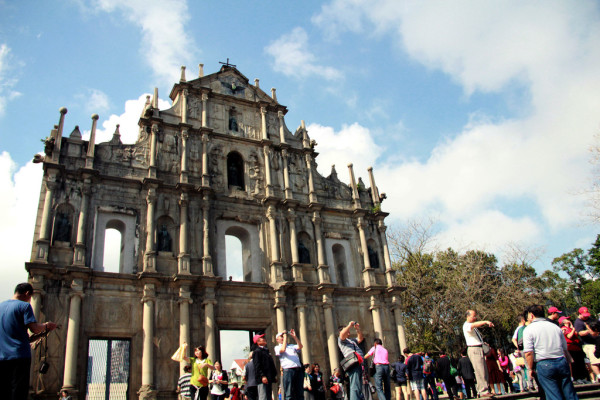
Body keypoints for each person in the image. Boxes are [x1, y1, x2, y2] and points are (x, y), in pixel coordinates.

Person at [0, 282, 58, 400]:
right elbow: (35, 328)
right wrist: (46, 326)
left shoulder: (1, 306)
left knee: (4, 390)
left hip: (2, 356)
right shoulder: (24, 306)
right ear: (27, 293)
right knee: (18, 391)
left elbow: (17, 333)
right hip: (19, 356)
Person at [522, 304, 579, 400]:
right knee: (569, 393)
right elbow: (564, 348)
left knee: (553, 395)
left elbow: (528, 352)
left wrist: (530, 368)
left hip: (544, 363)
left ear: (531, 315)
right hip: (561, 360)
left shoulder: (529, 329)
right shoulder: (555, 327)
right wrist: (569, 361)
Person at [462, 309, 494, 398]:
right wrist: (485, 322)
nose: (475, 318)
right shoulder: (467, 325)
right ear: (468, 316)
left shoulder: (472, 326)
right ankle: (483, 390)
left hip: (479, 348)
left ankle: (485, 389)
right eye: (473, 316)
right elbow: (473, 325)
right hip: (474, 349)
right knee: (480, 370)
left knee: (484, 370)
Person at [338, 321, 365, 400]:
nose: (348, 332)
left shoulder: (352, 341)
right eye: (347, 330)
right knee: (355, 386)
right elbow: (342, 334)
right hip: (353, 364)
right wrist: (349, 325)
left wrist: (357, 329)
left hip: (359, 363)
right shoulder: (341, 340)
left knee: (359, 386)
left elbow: (360, 338)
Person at [275, 330, 304, 400]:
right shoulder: (277, 347)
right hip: (288, 370)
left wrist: (295, 337)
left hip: (297, 369)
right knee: (289, 392)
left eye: (283, 336)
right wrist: (285, 338)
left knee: (299, 391)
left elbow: (300, 346)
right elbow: (283, 350)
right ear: (277, 339)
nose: (283, 337)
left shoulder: (291, 346)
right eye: (281, 336)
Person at [574, 306, 600, 382]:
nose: (586, 317)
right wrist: (589, 330)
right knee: (594, 361)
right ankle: (598, 376)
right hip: (588, 344)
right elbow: (580, 333)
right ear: (580, 314)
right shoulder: (578, 322)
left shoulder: (590, 319)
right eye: (584, 316)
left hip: (596, 341)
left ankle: (596, 378)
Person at [560, 316, 589, 383]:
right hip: (571, 347)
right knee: (574, 364)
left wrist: (572, 327)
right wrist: (573, 329)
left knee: (580, 363)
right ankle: (576, 378)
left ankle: (583, 378)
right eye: (566, 319)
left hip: (576, 347)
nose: (568, 320)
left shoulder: (570, 328)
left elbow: (576, 334)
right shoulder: (564, 328)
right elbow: (569, 336)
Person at [253, 334, 277, 400]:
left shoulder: (266, 351)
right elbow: (257, 365)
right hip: (262, 379)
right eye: (261, 338)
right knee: (263, 397)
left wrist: (273, 376)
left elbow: (270, 364)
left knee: (268, 396)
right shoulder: (257, 352)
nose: (264, 339)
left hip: (269, 378)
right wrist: (262, 376)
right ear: (258, 342)